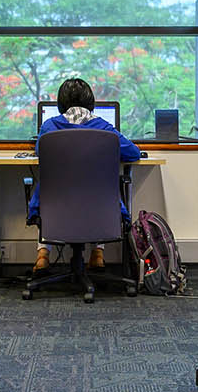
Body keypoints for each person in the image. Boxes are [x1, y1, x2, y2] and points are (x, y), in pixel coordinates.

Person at [28, 77, 142, 272]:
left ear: (60, 103)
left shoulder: (49, 127)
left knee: (48, 192)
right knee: (100, 193)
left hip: (56, 206)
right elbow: (133, 153)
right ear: (91, 103)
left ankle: (43, 254)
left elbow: (40, 151)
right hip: (100, 207)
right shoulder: (105, 129)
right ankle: (98, 253)